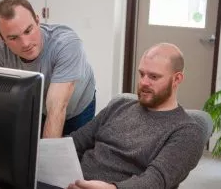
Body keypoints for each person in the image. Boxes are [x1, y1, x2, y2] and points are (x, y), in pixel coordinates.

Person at [67, 43, 206, 189]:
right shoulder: (119, 106)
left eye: (154, 76)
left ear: (177, 79)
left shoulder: (187, 132)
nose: (144, 82)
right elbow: (75, 143)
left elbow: (155, 181)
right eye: (141, 74)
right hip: (72, 182)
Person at [0, 0, 96, 138]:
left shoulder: (66, 44)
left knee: (74, 155)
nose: (25, 43)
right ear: (1, 38)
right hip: (38, 108)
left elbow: (56, 109)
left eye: (28, 30)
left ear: (37, 20)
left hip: (78, 107)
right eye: (13, 38)